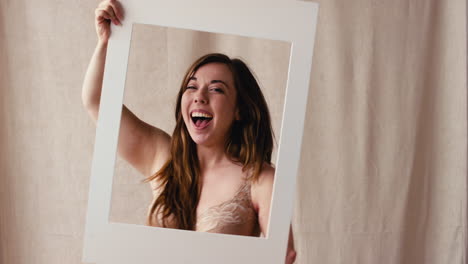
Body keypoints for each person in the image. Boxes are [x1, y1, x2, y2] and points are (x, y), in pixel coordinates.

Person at [83, 0, 297, 263]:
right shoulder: (161, 155)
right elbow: (96, 100)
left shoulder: (262, 180)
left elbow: (281, 256)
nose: (200, 97)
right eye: (192, 86)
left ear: (240, 109)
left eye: (217, 89)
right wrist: (106, 41)